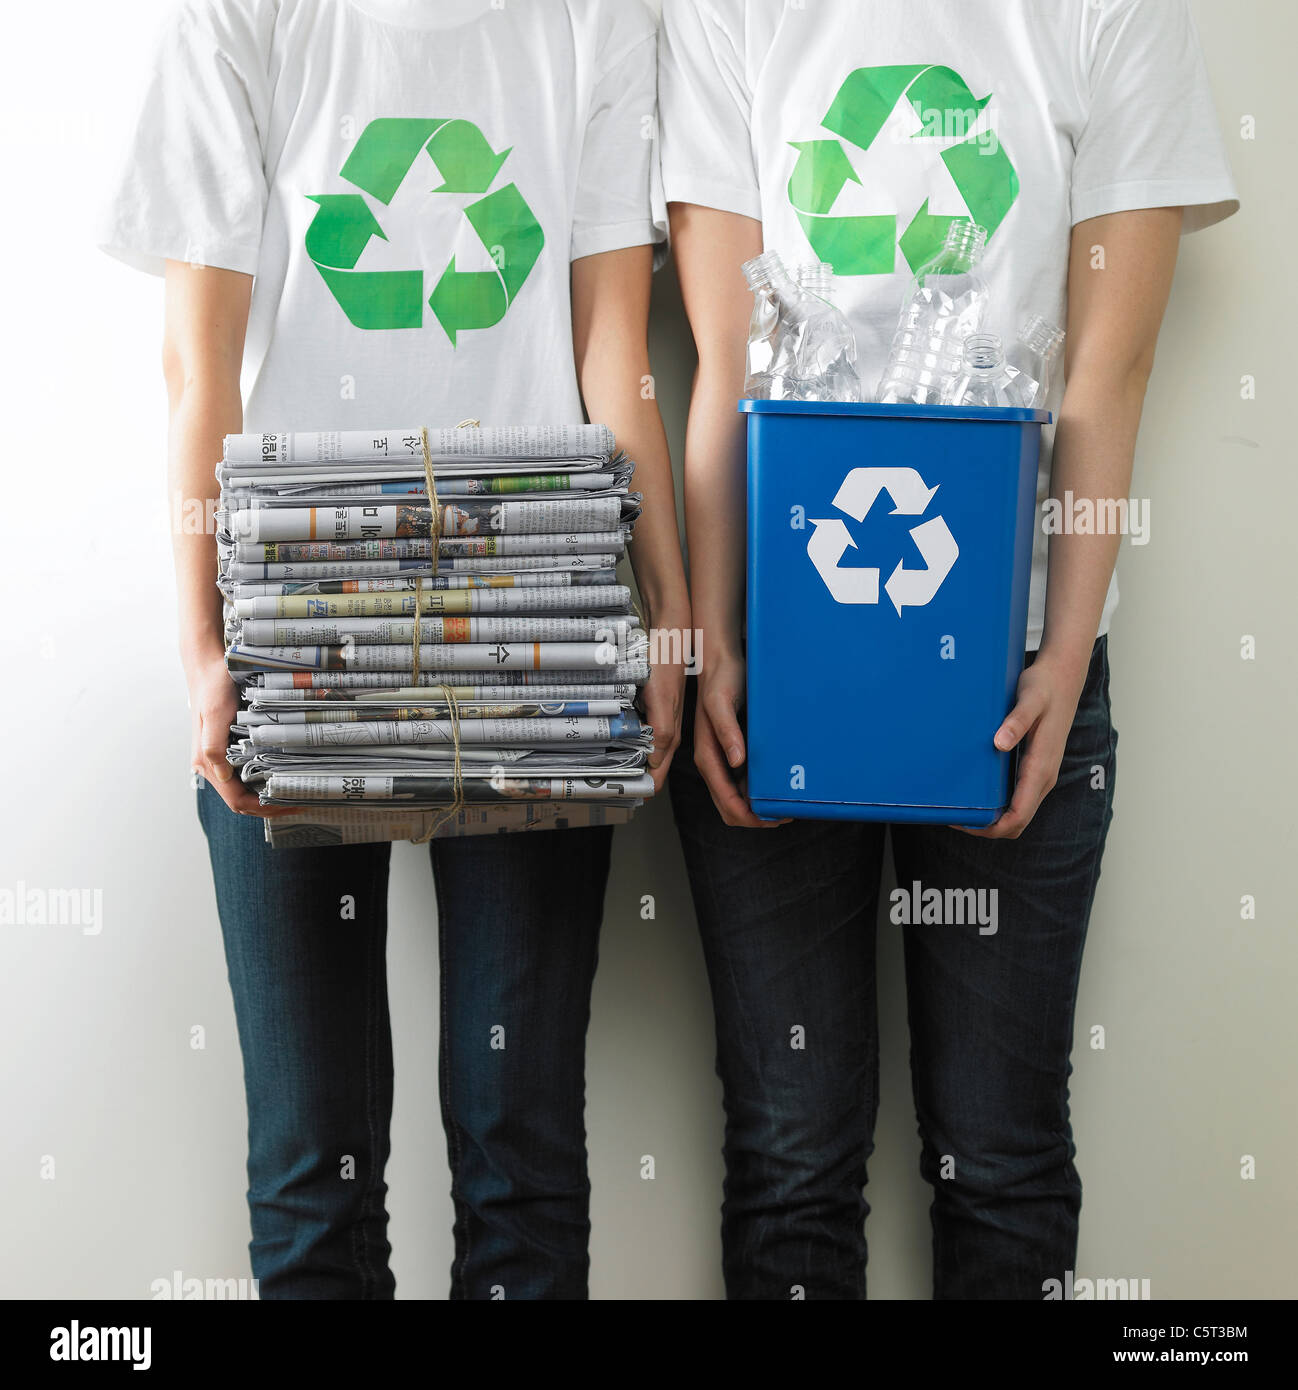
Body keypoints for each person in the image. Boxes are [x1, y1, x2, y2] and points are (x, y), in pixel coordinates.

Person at [98, 0, 689, 1300]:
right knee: (314, 1170)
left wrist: (667, 614)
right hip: (294, 635)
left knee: (519, 1153)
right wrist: (205, 648)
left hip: (537, 628)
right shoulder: (234, 17)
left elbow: (614, 353)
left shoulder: (597, 20)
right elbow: (198, 369)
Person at [658, 0, 1237, 1299]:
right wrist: (712, 640)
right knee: (789, 1157)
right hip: (784, 660)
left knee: (999, 1155)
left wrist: (1059, 652)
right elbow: (721, 364)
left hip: (1011, 665)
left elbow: (1106, 367)